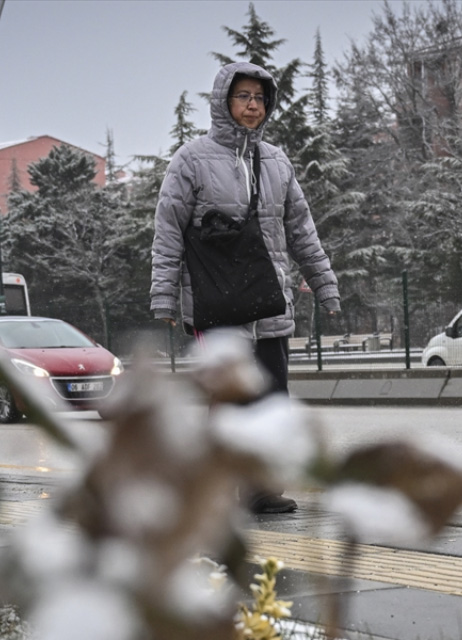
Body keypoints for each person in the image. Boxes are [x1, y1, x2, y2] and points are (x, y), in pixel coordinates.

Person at [149, 61, 341, 514]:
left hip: (269, 302)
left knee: (272, 399)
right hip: (216, 304)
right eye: (243, 97)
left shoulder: (276, 161)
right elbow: (168, 230)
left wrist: (324, 282)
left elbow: (302, 230)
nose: (253, 105)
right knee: (227, 402)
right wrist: (164, 293)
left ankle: (260, 489)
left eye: (259, 97)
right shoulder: (191, 159)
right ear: (223, 101)